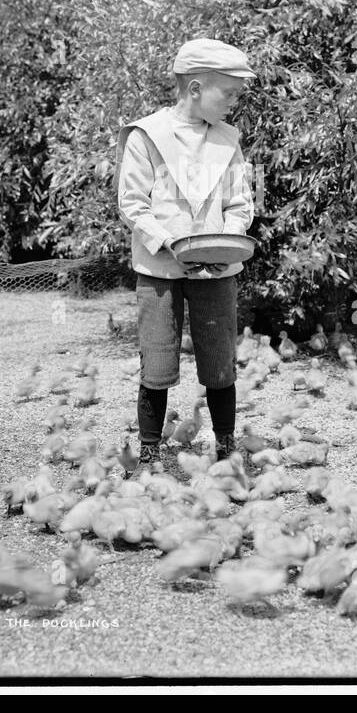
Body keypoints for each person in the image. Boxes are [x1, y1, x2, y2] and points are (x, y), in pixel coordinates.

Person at [116, 38, 256, 468]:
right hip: (160, 267)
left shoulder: (227, 140)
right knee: (157, 359)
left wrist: (226, 239)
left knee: (219, 359)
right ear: (195, 88)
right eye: (229, 93)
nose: (235, 102)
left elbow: (240, 202)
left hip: (215, 268)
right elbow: (132, 203)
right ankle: (149, 450)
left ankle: (227, 445)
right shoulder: (147, 136)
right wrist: (168, 243)